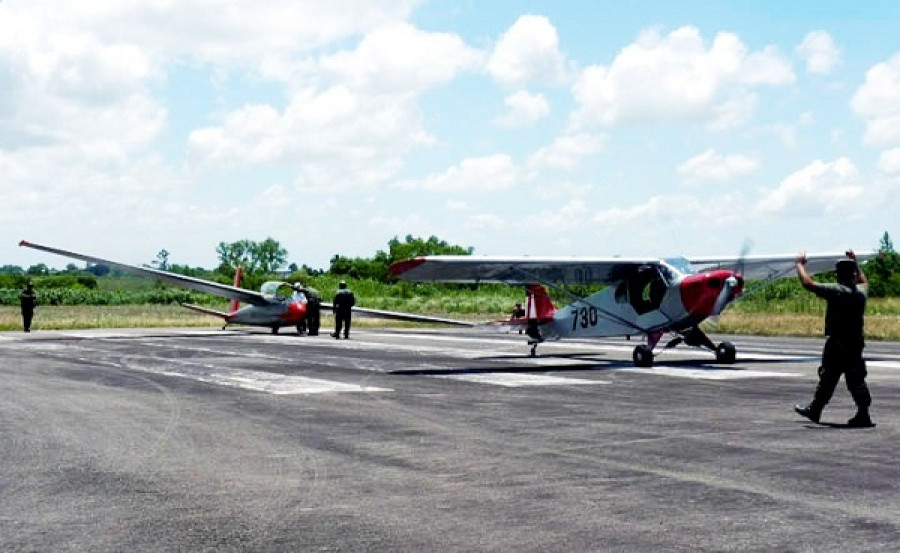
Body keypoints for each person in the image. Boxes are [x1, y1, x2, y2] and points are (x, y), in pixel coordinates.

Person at [794, 250, 874, 427]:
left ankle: (816, 409)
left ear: (839, 276)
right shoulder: (861, 293)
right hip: (855, 343)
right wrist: (855, 262)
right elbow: (864, 281)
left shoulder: (837, 291)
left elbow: (808, 284)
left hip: (838, 344)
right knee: (856, 380)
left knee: (828, 377)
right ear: (853, 274)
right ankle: (863, 414)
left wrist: (799, 264)